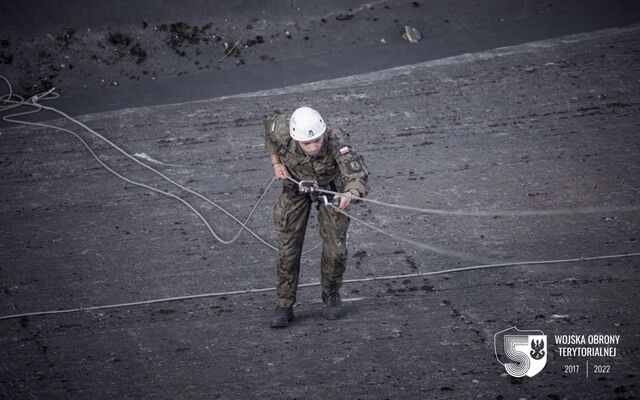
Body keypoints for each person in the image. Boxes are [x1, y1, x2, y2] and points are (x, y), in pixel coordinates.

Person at [263, 106, 369, 328]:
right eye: (307, 143)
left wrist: (351, 193)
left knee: (336, 250)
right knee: (288, 250)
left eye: (317, 141)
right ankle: (284, 304)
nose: (313, 147)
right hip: (296, 187)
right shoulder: (283, 131)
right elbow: (269, 125)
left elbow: (356, 173)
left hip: (331, 191)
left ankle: (331, 296)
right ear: (295, 138)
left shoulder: (336, 139)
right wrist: (276, 162)